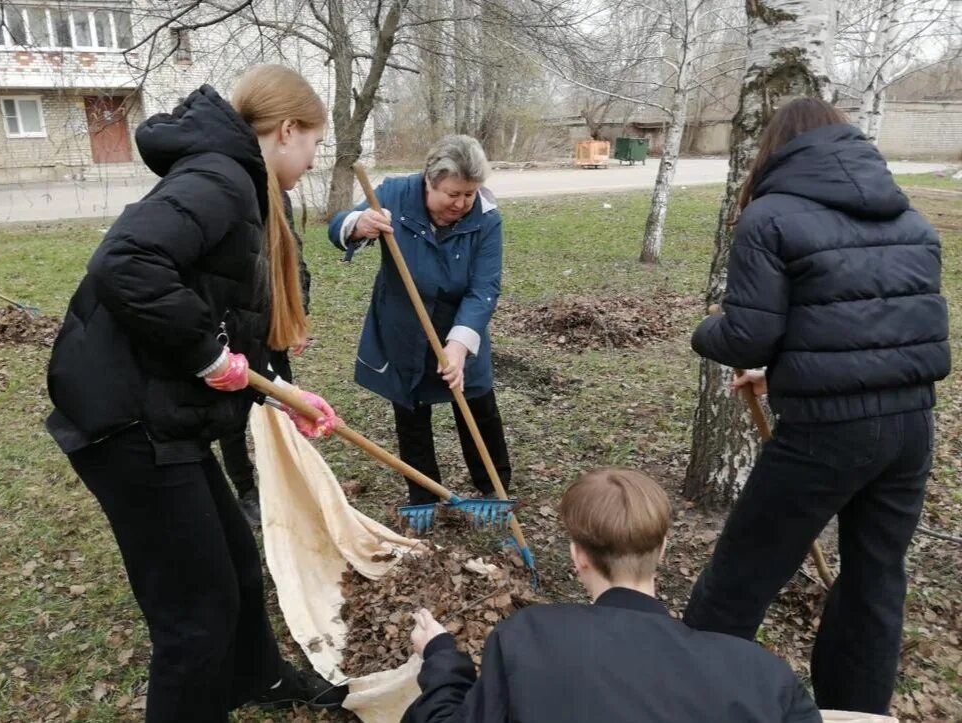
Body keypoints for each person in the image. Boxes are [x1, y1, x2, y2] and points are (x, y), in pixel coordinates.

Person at [45, 65, 349, 721]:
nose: (313, 159)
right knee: (196, 615)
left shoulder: (245, 187)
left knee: (237, 564)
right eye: (314, 144)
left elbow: (241, 316)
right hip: (125, 420)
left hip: (160, 414)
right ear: (288, 130)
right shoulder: (218, 180)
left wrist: (285, 396)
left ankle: (258, 677)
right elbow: (126, 263)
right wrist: (207, 355)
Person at [683, 98, 950, 715]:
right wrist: (777, 368)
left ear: (777, 150)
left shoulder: (770, 217)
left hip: (827, 436)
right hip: (911, 429)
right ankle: (858, 715)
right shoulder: (910, 219)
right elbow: (871, 327)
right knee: (874, 581)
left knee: (739, 579)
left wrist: (707, 331)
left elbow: (747, 333)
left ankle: (685, 697)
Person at [404, 468, 822, 722]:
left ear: (577, 556)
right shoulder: (761, 676)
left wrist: (442, 657)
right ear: (663, 549)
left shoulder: (527, 640)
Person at [328, 135, 511, 506]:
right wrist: (359, 224)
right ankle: (424, 495)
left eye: (469, 194)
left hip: (461, 324)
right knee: (411, 409)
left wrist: (458, 347)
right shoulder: (395, 195)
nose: (461, 204)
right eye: (452, 194)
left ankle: (493, 486)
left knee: (477, 403)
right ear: (429, 180)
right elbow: (338, 228)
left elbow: (484, 288)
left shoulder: (486, 216)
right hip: (404, 324)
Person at [219, 189, 310, 526]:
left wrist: (298, 317)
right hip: (233, 329)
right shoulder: (229, 197)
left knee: (286, 403)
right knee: (232, 418)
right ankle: (246, 490)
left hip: (272, 325)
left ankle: (288, 482)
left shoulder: (278, 196)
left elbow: (293, 258)